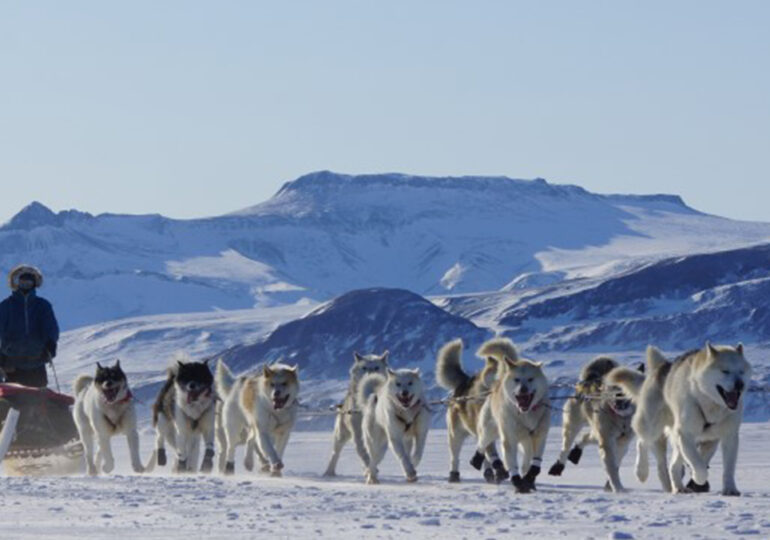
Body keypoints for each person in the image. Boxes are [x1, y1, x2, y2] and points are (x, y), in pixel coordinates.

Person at [0, 265, 59, 387]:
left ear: (34, 283)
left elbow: (51, 328)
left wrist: (51, 343)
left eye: (28, 282)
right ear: (16, 283)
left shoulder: (43, 306)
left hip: (37, 360)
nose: (25, 285)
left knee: (38, 400)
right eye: (22, 282)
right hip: (11, 362)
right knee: (11, 399)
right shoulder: (6, 306)